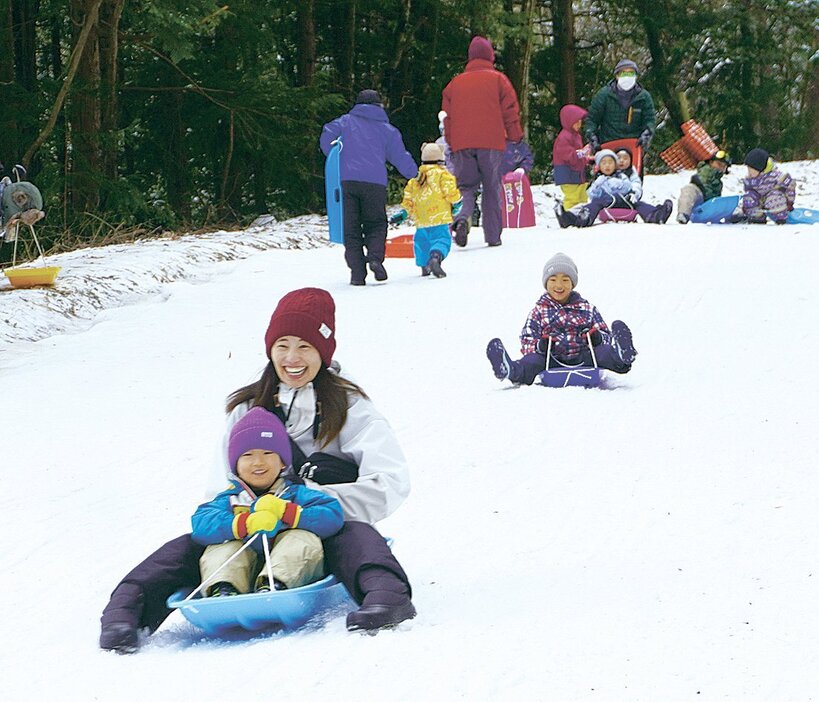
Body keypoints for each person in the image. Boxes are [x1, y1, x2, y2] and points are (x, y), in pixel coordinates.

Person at [100, 288, 416, 653]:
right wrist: (242, 515)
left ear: (323, 352)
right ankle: (125, 612)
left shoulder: (349, 406)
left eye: (305, 346)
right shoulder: (247, 407)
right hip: (250, 527)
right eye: (282, 345)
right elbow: (222, 484)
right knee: (186, 548)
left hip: (322, 520)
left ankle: (387, 597)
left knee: (358, 540)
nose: (292, 358)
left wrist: (309, 505)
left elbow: (390, 481)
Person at [192, 407, 344, 596]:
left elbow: (333, 514)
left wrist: (289, 513)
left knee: (301, 539)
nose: (258, 462)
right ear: (235, 466)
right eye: (247, 455)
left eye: (267, 453)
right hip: (244, 575)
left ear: (282, 462)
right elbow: (200, 524)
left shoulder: (296, 492)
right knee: (223, 546)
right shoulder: (230, 498)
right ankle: (223, 589)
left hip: (292, 575)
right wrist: (242, 524)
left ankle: (274, 585)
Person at [485, 253, 637, 386]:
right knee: (531, 362)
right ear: (546, 283)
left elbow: (605, 335)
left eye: (565, 280)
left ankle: (622, 355)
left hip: (585, 357)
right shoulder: (538, 311)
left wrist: (597, 338)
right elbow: (527, 340)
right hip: (550, 360)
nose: (559, 285)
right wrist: (540, 346)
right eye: (553, 280)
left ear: (572, 284)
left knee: (604, 353)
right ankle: (509, 369)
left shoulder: (587, 308)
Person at [320, 89, 418, 285]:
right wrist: (415, 174)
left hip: (347, 181)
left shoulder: (345, 122)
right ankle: (374, 258)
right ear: (378, 106)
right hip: (375, 184)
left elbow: (327, 134)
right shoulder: (387, 130)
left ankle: (357, 274)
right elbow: (400, 156)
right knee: (376, 224)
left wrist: (334, 156)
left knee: (351, 228)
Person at [441, 36, 524, 248]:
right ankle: (493, 236)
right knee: (491, 187)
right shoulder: (499, 80)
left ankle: (461, 219)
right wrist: (515, 136)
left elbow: (447, 117)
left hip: (462, 145)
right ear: (490, 56)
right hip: (491, 143)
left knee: (466, 187)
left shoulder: (454, 84)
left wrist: (451, 141)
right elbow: (510, 111)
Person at [389, 142, 462, 278]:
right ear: (441, 160)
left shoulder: (416, 179)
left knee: (422, 241)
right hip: (439, 218)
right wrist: (457, 203)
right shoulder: (443, 175)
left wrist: (403, 214)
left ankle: (424, 266)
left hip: (421, 220)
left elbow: (408, 201)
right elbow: (450, 193)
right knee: (441, 239)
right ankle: (435, 257)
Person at [554, 149, 672, 227]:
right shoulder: (599, 179)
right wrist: (597, 186)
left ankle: (655, 215)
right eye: (604, 163)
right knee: (593, 205)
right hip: (605, 202)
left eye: (610, 162)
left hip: (623, 201)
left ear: (615, 165)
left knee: (639, 204)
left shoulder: (621, 175)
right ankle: (575, 219)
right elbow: (591, 195)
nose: (607, 166)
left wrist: (623, 188)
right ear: (599, 166)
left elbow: (629, 186)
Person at [585, 59, 656, 157]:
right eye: (623, 73)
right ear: (617, 75)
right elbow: (592, 119)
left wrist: (646, 135)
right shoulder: (604, 95)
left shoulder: (644, 97)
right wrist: (592, 138)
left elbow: (649, 120)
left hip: (633, 147)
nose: (627, 77)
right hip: (608, 146)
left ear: (636, 76)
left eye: (631, 73)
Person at [735, 148, 795, 224]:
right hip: (759, 199)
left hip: (774, 198)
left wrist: (790, 202)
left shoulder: (776, 176)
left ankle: (781, 217)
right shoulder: (750, 179)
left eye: (751, 171)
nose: (749, 173)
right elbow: (748, 191)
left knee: (774, 197)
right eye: (748, 170)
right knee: (749, 196)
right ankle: (757, 217)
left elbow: (790, 186)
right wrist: (746, 206)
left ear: (760, 168)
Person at [552, 104, 592, 210]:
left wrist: (586, 159)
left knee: (582, 194)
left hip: (578, 173)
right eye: (576, 121)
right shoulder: (564, 138)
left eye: (580, 121)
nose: (579, 124)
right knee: (572, 196)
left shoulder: (576, 136)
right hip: (567, 174)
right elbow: (569, 156)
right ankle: (567, 214)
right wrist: (583, 153)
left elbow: (578, 155)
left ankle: (581, 212)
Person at [676, 150, 731, 224]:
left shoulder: (718, 182)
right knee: (689, 190)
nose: (720, 168)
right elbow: (703, 181)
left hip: (707, 205)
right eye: (719, 164)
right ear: (711, 162)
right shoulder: (705, 170)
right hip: (697, 199)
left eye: (723, 167)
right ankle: (683, 214)